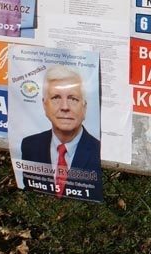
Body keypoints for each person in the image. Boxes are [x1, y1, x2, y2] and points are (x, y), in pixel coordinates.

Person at [20, 66, 101, 196]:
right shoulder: (29, 145)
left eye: (73, 98)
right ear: (45, 105)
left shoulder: (99, 151)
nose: (64, 107)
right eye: (56, 97)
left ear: (84, 107)